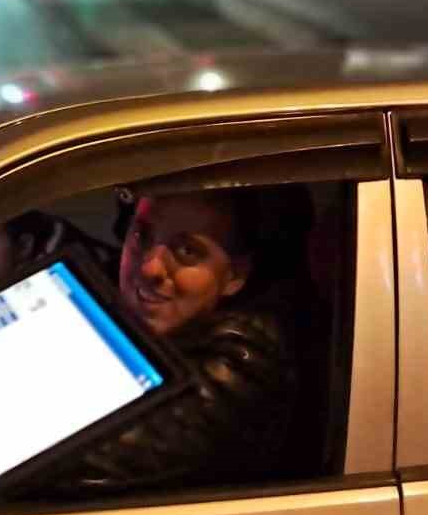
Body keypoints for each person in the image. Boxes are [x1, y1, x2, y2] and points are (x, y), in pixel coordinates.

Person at [44, 184, 308, 498]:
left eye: (187, 251)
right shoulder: (149, 321)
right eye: (142, 236)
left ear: (235, 275)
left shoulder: (244, 362)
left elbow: (70, 464)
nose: (150, 267)